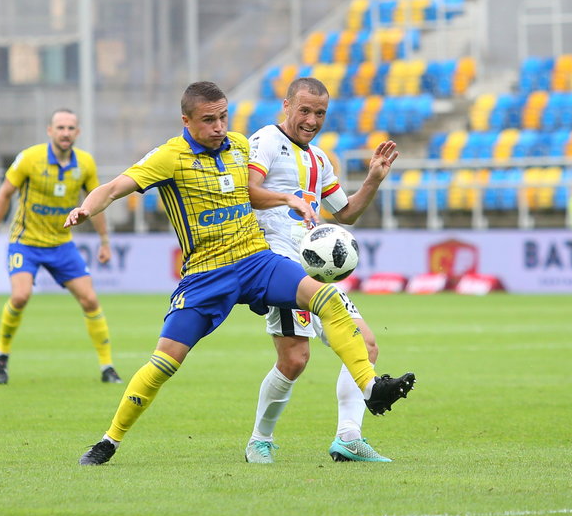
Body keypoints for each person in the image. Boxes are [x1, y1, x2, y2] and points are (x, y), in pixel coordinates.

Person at [65, 81, 415, 466]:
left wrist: (305, 195)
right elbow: (115, 188)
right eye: (208, 120)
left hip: (256, 260)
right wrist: (86, 208)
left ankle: (371, 389)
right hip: (206, 273)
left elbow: (292, 195)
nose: (219, 127)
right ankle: (108, 442)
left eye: (223, 117)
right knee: (165, 361)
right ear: (187, 120)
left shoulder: (239, 145)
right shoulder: (170, 156)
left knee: (327, 297)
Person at [244, 77, 400, 464]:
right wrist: (286, 199)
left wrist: (373, 180)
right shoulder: (265, 140)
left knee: (366, 345)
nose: (312, 120)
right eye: (305, 110)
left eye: (320, 113)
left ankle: (348, 438)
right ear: (286, 106)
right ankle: (259, 440)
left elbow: (345, 213)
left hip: (315, 272)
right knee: (295, 360)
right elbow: (248, 190)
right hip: (280, 265)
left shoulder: (320, 159)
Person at [0, 108, 122, 385]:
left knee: (90, 300)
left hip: (61, 245)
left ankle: (107, 367)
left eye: (71, 128)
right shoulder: (30, 159)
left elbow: (98, 201)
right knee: (21, 297)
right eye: (60, 128)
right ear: (50, 131)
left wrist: (105, 241)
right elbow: (4, 194)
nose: (66, 133)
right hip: (26, 243)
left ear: (78, 133)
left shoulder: (85, 164)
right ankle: (2, 355)